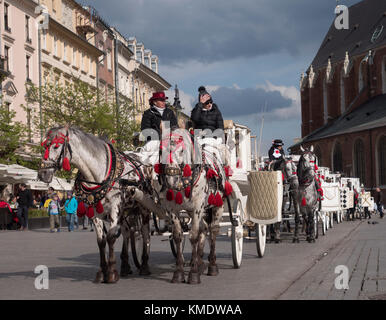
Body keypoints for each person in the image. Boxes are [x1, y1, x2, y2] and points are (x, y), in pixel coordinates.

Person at [190, 86, 227, 165]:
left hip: (213, 138)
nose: (210, 104)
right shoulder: (197, 110)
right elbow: (194, 119)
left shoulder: (216, 111)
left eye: (211, 101)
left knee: (211, 147)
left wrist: (214, 136)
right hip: (200, 137)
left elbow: (220, 128)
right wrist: (200, 105)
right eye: (207, 102)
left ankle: (216, 169)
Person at [140, 91, 178, 165]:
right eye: (161, 100)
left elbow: (175, 126)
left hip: (168, 140)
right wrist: (159, 134)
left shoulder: (169, 112)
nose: (163, 102)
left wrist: (172, 133)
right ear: (154, 102)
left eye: (164, 100)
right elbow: (145, 129)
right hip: (154, 141)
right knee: (153, 157)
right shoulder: (148, 113)